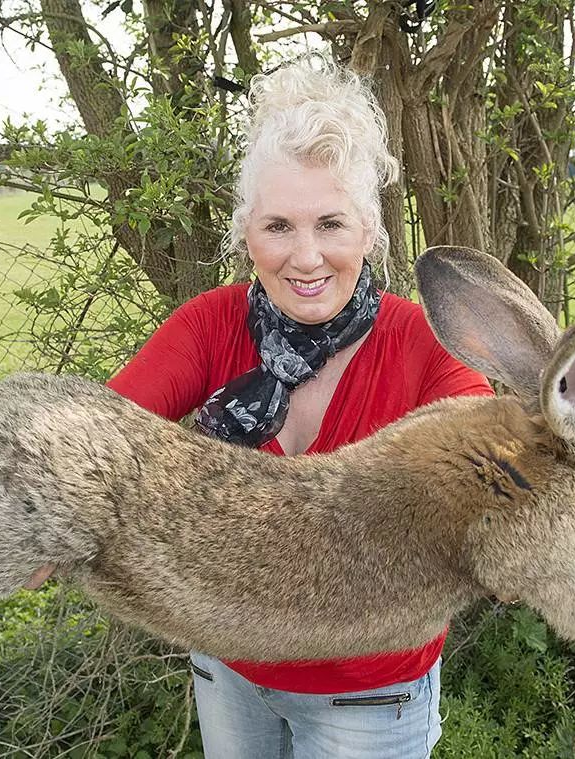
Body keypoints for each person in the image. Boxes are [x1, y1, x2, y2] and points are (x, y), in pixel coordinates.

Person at [108, 60, 492, 759]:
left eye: (331, 224)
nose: (306, 257)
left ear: (369, 232)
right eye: (279, 225)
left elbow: (489, 487)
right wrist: (39, 514)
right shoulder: (210, 325)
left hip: (369, 695)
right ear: (246, 233)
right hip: (229, 665)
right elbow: (91, 440)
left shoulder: (427, 348)